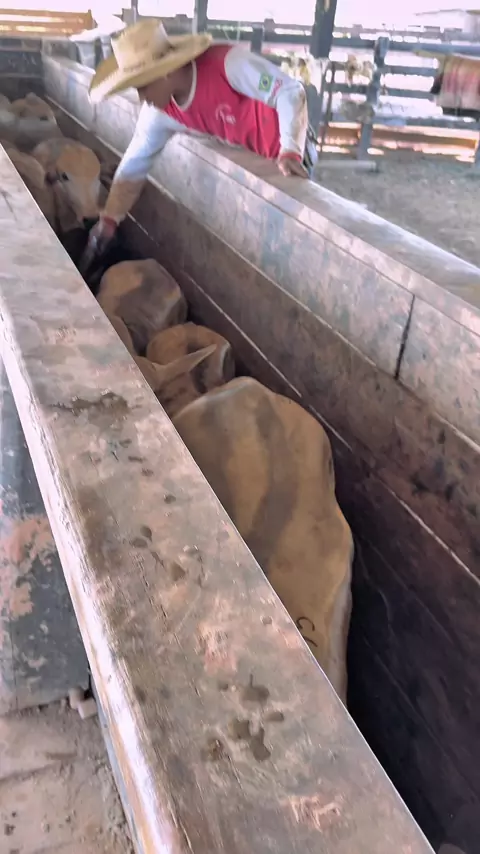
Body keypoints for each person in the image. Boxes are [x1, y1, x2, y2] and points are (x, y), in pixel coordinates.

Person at [86, 17, 317, 254]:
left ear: (165, 73)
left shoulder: (228, 65)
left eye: (143, 86)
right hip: (249, 160)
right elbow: (136, 161)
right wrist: (110, 219)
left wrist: (291, 149)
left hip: (286, 155)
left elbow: (289, 91)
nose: (142, 98)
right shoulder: (159, 112)